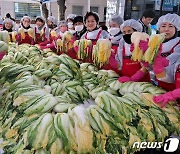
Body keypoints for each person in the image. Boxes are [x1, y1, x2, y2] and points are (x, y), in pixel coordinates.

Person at [151, 13, 180, 108]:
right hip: (160, 87)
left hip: (174, 89)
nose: (166, 29)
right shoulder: (155, 43)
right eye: (163, 26)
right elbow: (150, 68)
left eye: (171, 26)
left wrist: (171, 95)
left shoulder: (178, 46)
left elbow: (170, 68)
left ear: (177, 28)